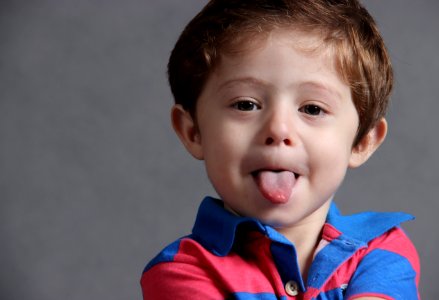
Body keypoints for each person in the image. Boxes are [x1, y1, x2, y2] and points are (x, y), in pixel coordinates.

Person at [141, 0, 420, 299]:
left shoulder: (380, 250)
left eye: (312, 108)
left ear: (362, 141)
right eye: (245, 105)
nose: (278, 130)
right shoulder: (180, 272)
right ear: (193, 131)